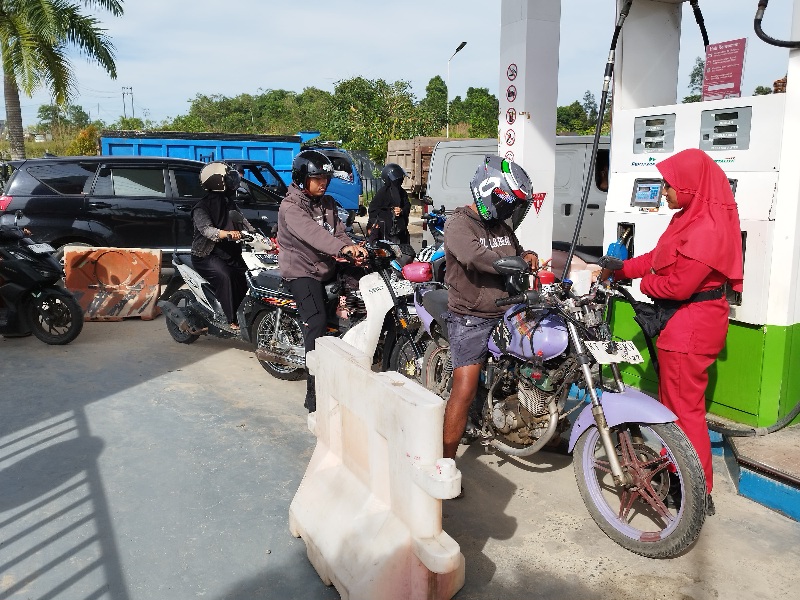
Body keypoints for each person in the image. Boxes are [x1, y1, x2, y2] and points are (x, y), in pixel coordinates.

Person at [599, 147, 744, 516]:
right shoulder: (688, 218)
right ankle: (681, 477)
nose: (663, 191)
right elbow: (659, 257)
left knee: (683, 412)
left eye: (668, 185)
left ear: (691, 186)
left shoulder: (706, 228)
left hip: (691, 326)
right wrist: (622, 269)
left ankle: (693, 492)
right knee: (674, 408)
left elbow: (677, 285)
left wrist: (644, 284)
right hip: (687, 323)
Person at [442, 155, 539, 466]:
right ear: (491, 192)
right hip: (473, 317)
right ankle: (445, 462)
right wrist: (512, 262)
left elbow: (514, 251)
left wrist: (528, 255)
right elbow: (474, 256)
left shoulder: (500, 225)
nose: (511, 210)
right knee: (465, 389)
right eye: (510, 203)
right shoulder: (458, 224)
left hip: (506, 310)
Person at [278, 150, 368, 412]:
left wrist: (353, 247)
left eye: (326, 179)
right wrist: (342, 250)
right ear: (302, 178)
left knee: (359, 293)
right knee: (316, 323)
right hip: (301, 270)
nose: (323, 183)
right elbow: (313, 235)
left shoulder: (327, 202)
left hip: (326, 265)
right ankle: (313, 393)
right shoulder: (291, 207)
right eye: (317, 179)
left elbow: (339, 232)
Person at [191, 161, 256, 331]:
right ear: (217, 182)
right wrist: (226, 234)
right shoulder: (201, 207)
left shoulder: (228, 202)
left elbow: (242, 221)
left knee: (248, 276)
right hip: (206, 255)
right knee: (226, 277)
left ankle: (244, 313)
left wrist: (256, 235)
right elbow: (207, 230)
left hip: (229, 252)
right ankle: (230, 318)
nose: (232, 182)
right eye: (228, 179)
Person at [367, 163, 411, 245]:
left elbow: (407, 206)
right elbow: (373, 210)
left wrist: (401, 211)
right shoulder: (383, 193)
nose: (399, 182)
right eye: (396, 180)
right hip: (384, 232)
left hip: (400, 231)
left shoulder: (402, 192)